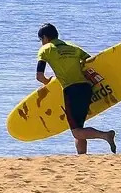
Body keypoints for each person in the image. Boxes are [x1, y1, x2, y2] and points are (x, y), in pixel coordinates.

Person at [36, 23, 116, 155]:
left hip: (71, 90)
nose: (41, 42)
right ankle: (82, 156)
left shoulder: (45, 50)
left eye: (41, 39)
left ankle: (106, 135)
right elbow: (91, 62)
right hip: (86, 88)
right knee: (79, 126)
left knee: (76, 132)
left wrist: (47, 83)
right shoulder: (73, 47)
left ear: (45, 37)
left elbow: (39, 76)